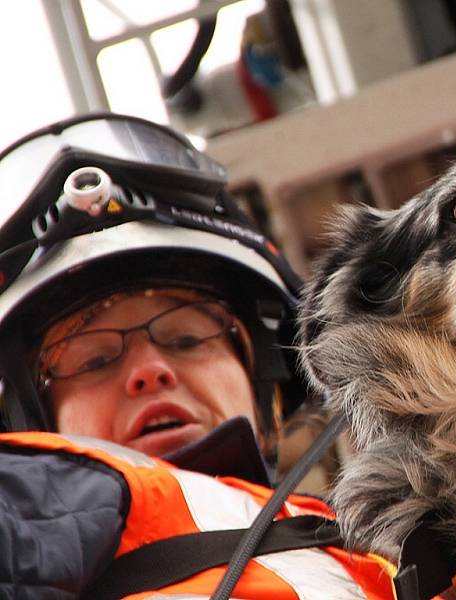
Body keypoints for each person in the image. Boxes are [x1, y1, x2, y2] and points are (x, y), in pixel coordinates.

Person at [0, 113, 409, 600]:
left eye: (186, 339)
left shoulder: (412, 554)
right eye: (94, 360)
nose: (150, 371)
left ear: (266, 391)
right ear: (31, 425)